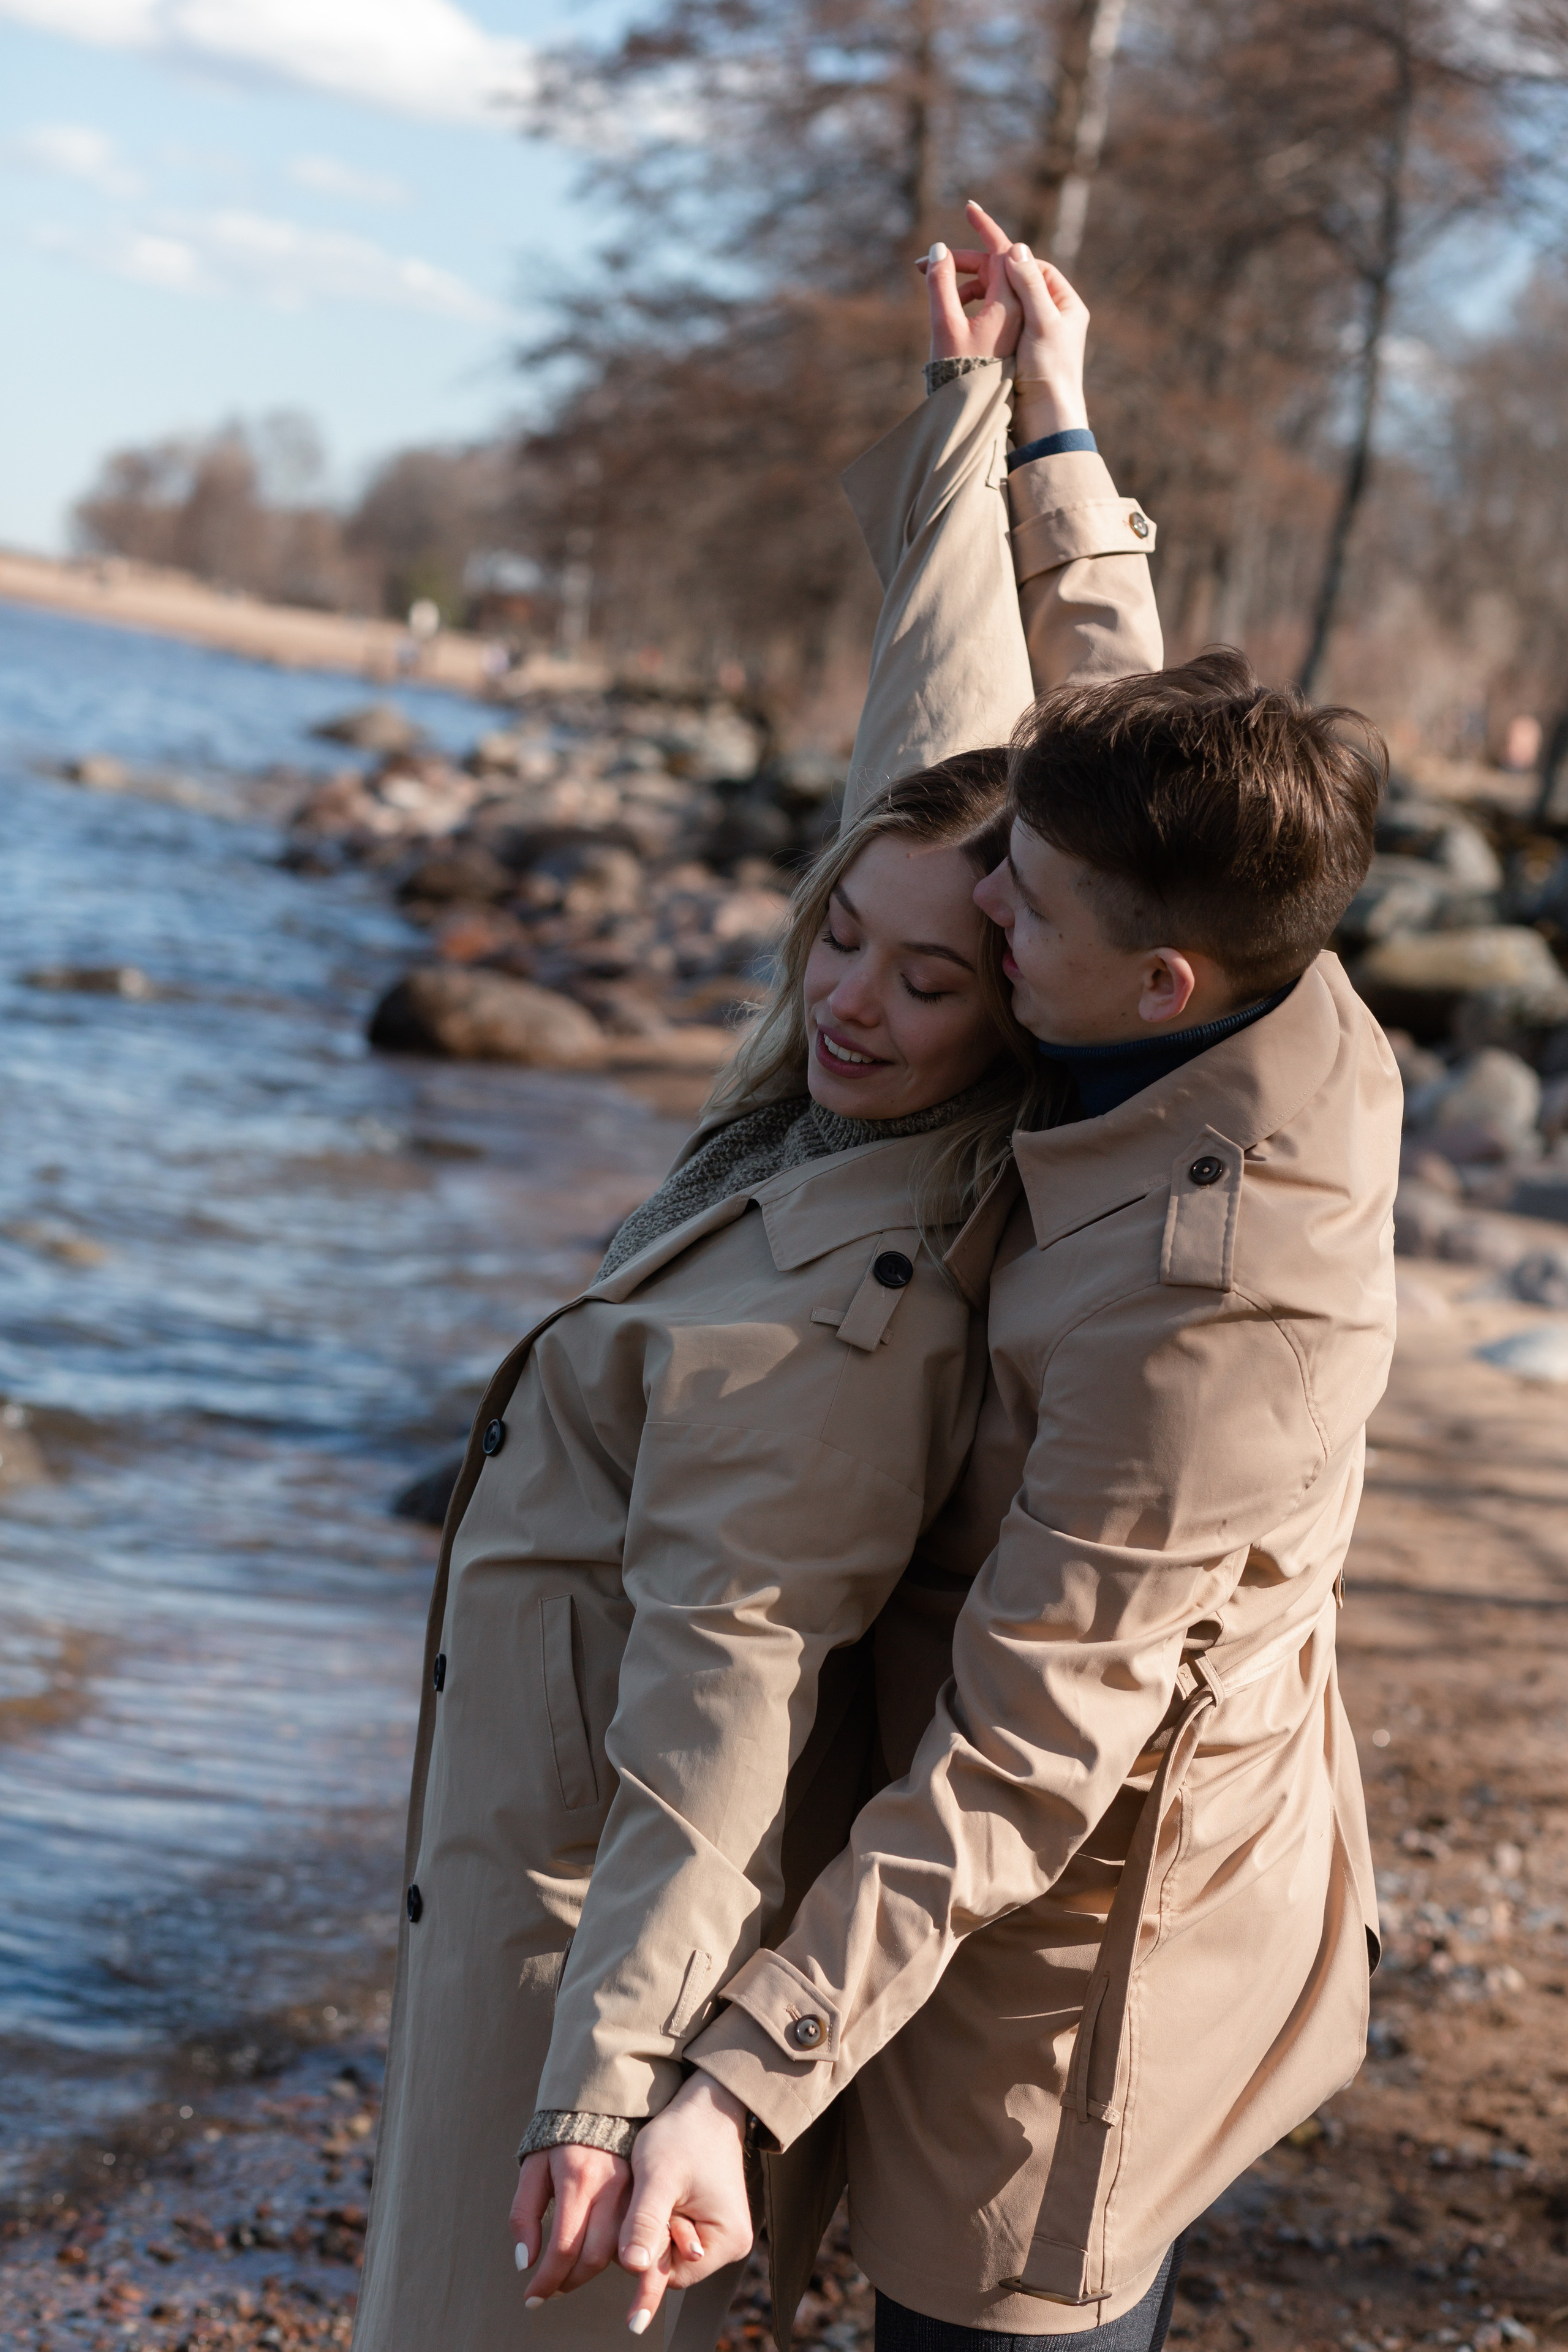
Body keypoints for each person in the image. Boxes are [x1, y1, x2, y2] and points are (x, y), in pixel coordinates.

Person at [352, 206, 1161, 2352]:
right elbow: (938, 725)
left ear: (1030, 1013)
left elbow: (726, 1723)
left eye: (926, 979)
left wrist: (608, 2097)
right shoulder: (806, 1111)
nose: (853, 1004)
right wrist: (980, 419)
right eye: (837, 939)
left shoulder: (849, 1307)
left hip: (574, 1989)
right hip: (516, 1930)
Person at [611, 365, 1404, 2352]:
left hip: (1085, 1939)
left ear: (1154, 986)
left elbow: (1029, 1759)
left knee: (997, 2300)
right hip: (1040, 1781)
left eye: (1012, 909)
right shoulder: (1242, 952)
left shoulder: (1211, 1317)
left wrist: (731, 2079)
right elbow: (1115, 755)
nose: (977, 898)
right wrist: (1055, 429)